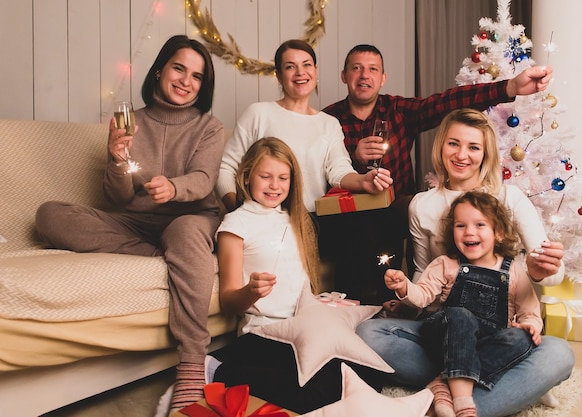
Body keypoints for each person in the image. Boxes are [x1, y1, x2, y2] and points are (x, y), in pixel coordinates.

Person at [34, 35, 224, 412]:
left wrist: (174, 187)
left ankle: (190, 365)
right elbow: (117, 199)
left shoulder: (209, 126)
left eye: (197, 76)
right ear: (158, 71)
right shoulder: (131, 122)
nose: (187, 81)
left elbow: (204, 179)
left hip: (191, 217)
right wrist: (118, 158)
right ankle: (167, 254)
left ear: (204, 86)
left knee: (184, 233)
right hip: (137, 223)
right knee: (48, 215)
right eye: (179, 68)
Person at [356, 108, 574, 417]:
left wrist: (540, 272)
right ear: (441, 146)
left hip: (496, 334)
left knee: (558, 354)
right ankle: (496, 384)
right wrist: (406, 301)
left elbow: (551, 274)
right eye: (453, 144)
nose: (462, 155)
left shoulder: (509, 198)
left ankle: (445, 392)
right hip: (443, 329)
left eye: (473, 147)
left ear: (485, 154)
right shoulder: (422, 204)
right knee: (368, 334)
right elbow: (422, 271)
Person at [323, 44, 554, 303]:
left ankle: (396, 301)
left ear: (382, 78)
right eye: (356, 68)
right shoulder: (329, 119)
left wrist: (509, 88)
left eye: (373, 69)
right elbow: (322, 171)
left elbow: (448, 102)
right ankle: (347, 304)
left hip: (396, 211)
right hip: (351, 217)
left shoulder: (399, 111)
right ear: (344, 75)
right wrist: (353, 157)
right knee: (359, 230)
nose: (364, 75)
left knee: (404, 209)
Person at [207, 137, 386, 413]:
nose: (274, 185)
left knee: (371, 374)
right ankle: (220, 372)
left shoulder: (296, 220)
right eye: (265, 176)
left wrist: (327, 304)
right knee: (323, 389)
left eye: (282, 178)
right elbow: (230, 301)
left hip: (306, 328)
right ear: (246, 177)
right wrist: (251, 291)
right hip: (266, 333)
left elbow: (300, 286)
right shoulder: (236, 223)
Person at [385, 191, 543, 417]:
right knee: (461, 315)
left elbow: (530, 313)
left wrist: (531, 326)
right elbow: (422, 295)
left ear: (497, 233)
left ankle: (442, 383)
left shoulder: (514, 272)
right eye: (461, 226)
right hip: (446, 336)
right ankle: (462, 401)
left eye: (480, 224)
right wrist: (403, 286)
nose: (469, 231)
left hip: (486, 343)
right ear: (452, 232)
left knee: (521, 339)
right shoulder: (445, 264)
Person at [215, 39, 393, 220]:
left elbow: (339, 170)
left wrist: (364, 181)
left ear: (315, 71)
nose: (300, 72)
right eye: (290, 67)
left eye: (306, 65)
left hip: (315, 220)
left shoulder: (329, 123)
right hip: (266, 218)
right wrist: (239, 212)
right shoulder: (258, 113)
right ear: (278, 75)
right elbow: (226, 168)